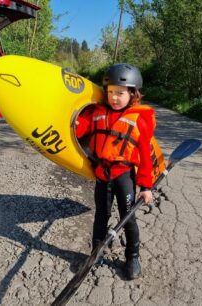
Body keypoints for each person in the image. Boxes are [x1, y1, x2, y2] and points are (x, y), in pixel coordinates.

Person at [75, 63, 155, 280]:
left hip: (124, 176)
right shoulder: (96, 113)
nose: (114, 98)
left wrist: (146, 187)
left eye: (120, 93)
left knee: (128, 218)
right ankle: (96, 253)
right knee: (101, 215)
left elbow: (146, 158)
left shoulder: (139, 119)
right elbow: (77, 129)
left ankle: (133, 256)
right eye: (110, 92)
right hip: (102, 174)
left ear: (133, 94)